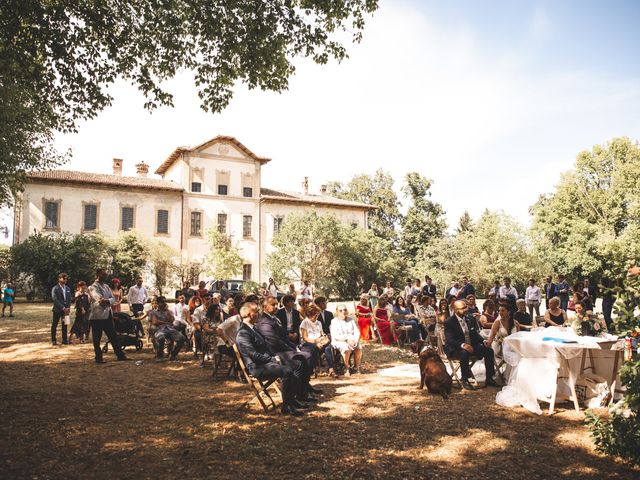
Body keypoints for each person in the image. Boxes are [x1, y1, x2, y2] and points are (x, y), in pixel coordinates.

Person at [235, 302, 306, 416]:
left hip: (266, 362)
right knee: (286, 371)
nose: (258, 313)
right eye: (256, 311)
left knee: (297, 364)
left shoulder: (253, 328)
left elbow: (266, 347)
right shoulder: (243, 333)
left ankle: (292, 399)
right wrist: (272, 359)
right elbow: (254, 355)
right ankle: (287, 406)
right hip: (257, 367)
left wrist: (275, 357)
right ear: (249, 314)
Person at [257, 296, 320, 400]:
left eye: (276, 304)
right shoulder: (264, 321)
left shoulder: (273, 318)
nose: (276, 307)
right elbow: (274, 341)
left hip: (284, 347)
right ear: (264, 306)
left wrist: (295, 347)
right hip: (275, 352)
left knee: (311, 348)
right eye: (273, 304)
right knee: (303, 357)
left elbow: (284, 337)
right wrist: (293, 350)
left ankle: (304, 386)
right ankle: (300, 392)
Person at [444, 300, 498, 390]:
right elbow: (450, 340)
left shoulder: (469, 318)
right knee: (464, 352)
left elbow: (474, 334)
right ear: (456, 310)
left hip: (472, 346)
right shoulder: (449, 322)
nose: (466, 309)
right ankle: (465, 380)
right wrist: (463, 345)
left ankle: (490, 378)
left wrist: (483, 341)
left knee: (488, 350)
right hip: (456, 349)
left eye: (466, 307)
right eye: (463, 308)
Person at [88, 268, 127, 363]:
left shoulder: (106, 286)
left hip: (108, 315)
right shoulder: (92, 287)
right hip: (97, 316)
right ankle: (98, 358)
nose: (105, 276)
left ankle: (120, 355)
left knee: (113, 336)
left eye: (105, 274)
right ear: (97, 275)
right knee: (97, 338)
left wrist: (108, 301)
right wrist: (107, 301)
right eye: (103, 274)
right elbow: (99, 300)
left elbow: (113, 299)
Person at [300, 303, 334, 376]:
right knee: (313, 348)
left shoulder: (319, 322)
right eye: (314, 314)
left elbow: (322, 334)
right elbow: (305, 337)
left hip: (320, 341)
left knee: (328, 348)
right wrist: (315, 342)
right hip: (310, 342)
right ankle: (313, 369)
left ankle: (331, 369)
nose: (316, 316)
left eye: (317, 314)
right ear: (309, 314)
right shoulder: (305, 322)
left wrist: (323, 340)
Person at [149, 296, 185, 361]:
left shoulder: (169, 311)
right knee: (161, 337)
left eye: (165, 302)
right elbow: (154, 322)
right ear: (158, 303)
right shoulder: (153, 312)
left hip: (170, 329)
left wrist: (167, 311)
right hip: (159, 330)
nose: (164, 303)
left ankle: (173, 354)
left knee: (181, 338)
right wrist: (165, 322)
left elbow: (172, 320)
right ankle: (160, 356)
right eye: (162, 302)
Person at [331, 304, 362, 376]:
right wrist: (347, 340)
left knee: (359, 347)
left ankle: (356, 367)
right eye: (340, 310)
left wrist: (356, 341)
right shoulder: (334, 321)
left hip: (352, 340)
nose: (343, 312)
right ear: (337, 312)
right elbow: (335, 336)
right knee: (346, 348)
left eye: (345, 310)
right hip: (339, 340)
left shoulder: (351, 320)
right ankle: (347, 368)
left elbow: (357, 332)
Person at [51, 272, 72, 345]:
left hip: (66, 310)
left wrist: (68, 307)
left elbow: (69, 299)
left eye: (66, 278)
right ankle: (53, 340)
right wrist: (63, 308)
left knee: (65, 324)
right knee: (55, 325)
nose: (65, 280)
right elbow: (55, 299)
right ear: (59, 279)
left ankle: (64, 339)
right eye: (64, 278)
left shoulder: (68, 288)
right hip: (57, 310)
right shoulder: (55, 288)